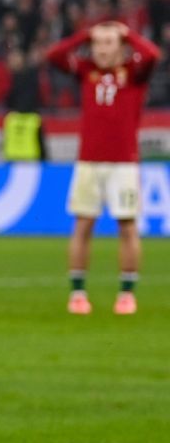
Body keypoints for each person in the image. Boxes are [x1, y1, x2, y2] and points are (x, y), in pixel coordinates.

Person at [45, 21, 162, 316]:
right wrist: (85, 35)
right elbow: (53, 56)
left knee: (127, 226)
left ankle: (126, 295)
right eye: (98, 44)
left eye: (109, 43)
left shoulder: (134, 73)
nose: (102, 49)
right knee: (83, 225)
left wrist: (128, 34)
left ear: (121, 47)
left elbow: (153, 55)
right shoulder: (86, 70)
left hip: (123, 163)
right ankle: (77, 294)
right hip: (89, 162)